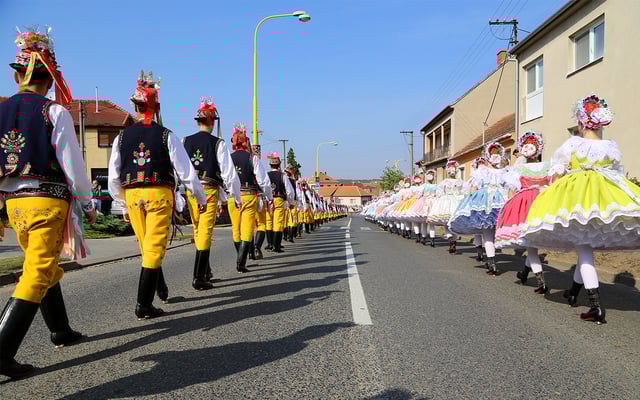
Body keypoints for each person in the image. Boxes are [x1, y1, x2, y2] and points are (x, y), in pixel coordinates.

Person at [0, 27, 97, 378]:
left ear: (17, 76)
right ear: (50, 79)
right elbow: (72, 162)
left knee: (41, 264)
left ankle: (60, 329)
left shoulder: (1, 110)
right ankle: (2, 349)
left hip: (14, 204)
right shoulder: (53, 111)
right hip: (47, 201)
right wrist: (87, 201)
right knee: (38, 270)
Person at [520, 94, 640, 324]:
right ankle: (573, 293)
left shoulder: (572, 144)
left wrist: (552, 194)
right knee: (585, 247)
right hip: (602, 197)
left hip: (577, 197)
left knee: (584, 250)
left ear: (580, 122)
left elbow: (558, 171)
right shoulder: (610, 147)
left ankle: (596, 306)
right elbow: (616, 174)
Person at [108, 70, 207, 319]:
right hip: (158, 195)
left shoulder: (121, 137)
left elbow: (113, 176)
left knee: (146, 245)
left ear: (135, 107)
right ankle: (143, 304)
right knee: (153, 247)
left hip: (132, 196)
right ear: (157, 107)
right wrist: (200, 198)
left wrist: (121, 203)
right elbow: (186, 172)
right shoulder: (166, 135)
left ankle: (159, 288)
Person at [183, 97, 241, 290]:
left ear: (197, 121)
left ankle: (206, 271)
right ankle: (199, 276)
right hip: (208, 189)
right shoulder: (218, 143)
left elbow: (179, 168)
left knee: (197, 229)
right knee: (205, 231)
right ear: (213, 122)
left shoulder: (185, 141)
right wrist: (234, 196)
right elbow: (228, 174)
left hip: (190, 191)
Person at [448, 143, 519, 275]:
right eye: (492, 155)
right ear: (488, 156)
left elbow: (511, 188)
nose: (495, 157)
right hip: (486, 204)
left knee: (492, 234)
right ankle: (491, 262)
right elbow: (474, 187)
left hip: (499, 203)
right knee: (488, 234)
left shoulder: (506, 172)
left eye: (497, 155)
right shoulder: (483, 171)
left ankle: (491, 262)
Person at [495, 131, 551, 294]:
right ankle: (525, 274)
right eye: (526, 146)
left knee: (531, 244)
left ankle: (541, 282)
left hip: (528, 204)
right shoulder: (546, 166)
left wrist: (508, 204)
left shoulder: (523, 168)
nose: (528, 149)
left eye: (531, 146)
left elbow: (513, 188)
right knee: (532, 242)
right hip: (542, 201)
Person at [228, 125, 272, 272]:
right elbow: (263, 181)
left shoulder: (228, 158)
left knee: (236, 228)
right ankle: (241, 262)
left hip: (232, 196)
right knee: (247, 227)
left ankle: (240, 256)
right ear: (246, 142)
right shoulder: (252, 158)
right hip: (248, 195)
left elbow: (224, 177)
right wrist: (269, 197)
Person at [428, 160, 465, 253]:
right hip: (457, 202)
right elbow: (464, 192)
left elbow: (439, 193)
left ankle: (450, 239)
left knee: (446, 223)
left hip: (447, 202)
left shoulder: (444, 182)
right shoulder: (459, 181)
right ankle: (453, 241)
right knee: (454, 223)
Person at [266, 153, 294, 253]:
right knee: (278, 222)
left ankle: (269, 244)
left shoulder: (266, 175)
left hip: (268, 200)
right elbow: (289, 191)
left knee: (269, 221)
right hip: (278, 199)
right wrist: (291, 202)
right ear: (279, 165)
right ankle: (276, 245)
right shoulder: (283, 176)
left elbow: (263, 187)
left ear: (270, 165)